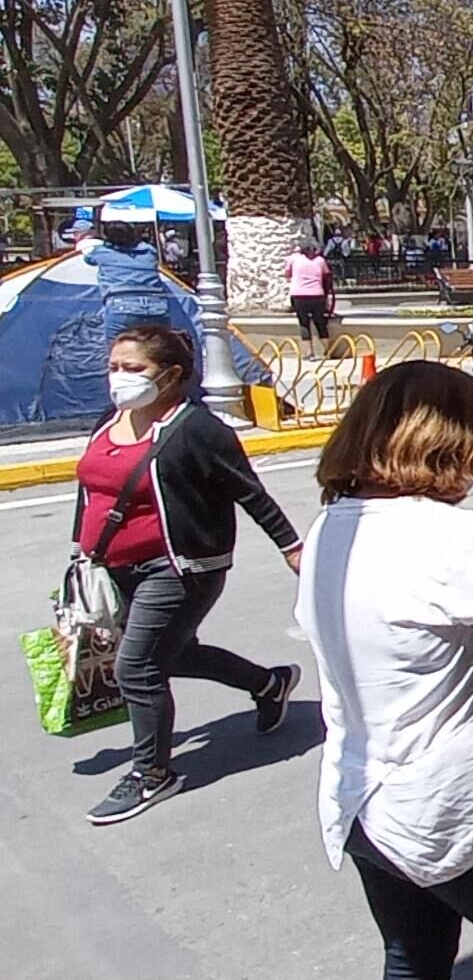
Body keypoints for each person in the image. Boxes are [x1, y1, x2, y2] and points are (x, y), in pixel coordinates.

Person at [296, 361, 473, 979]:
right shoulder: (457, 540)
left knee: (414, 950)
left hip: (360, 792)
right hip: (443, 799)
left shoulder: (331, 528)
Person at [71, 326, 304, 825]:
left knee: (137, 667)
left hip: (181, 567)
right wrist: (81, 550)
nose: (119, 378)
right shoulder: (108, 421)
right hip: (116, 567)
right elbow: (92, 489)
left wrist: (291, 545)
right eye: (115, 366)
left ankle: (152, 774)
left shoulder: (197, 429)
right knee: (174, 654)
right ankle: (267, 684)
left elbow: (250, 491)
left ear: (171, 375)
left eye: (134, 369)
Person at [87, 220, 171, 341]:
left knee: (118, 351)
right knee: (159, 351)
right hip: (156, 304)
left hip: (121, 304)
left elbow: (88, 259)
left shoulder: (101, 252)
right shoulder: (149, 251)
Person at [285, 240, 335, 361]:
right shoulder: (320, 261)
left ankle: (309, 352)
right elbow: (327, 276)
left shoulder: (293, 259)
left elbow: (287, 274)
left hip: (299, 295)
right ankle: (327, 351)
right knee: (320, 322)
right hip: (317, 295)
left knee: (304, 323)